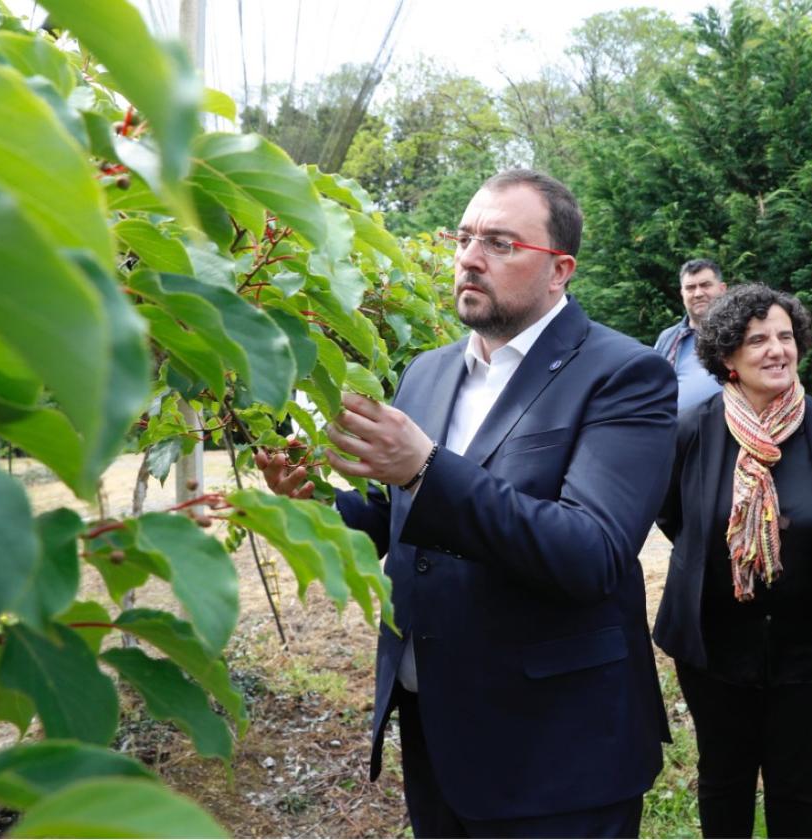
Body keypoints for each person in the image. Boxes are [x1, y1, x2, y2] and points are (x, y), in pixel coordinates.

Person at [257, 169, 677, 838]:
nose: (471, 258)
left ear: (559, 270)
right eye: (465, 238)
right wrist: (313, 505)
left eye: (502, 243)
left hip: (557, 750)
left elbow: (589, 552)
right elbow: (389, 521)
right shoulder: (427, 370)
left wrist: (425, 468)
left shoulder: (623, 375)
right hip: (437, 731)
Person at [654, 283, 812, 839]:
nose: (777, 349)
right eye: (757, 340)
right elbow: (677, 520)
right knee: (723, 777)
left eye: (785, 336)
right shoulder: (691, 432)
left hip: (810, 649)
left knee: (797, 782)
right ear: (727, 357)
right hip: (715, 644)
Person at [655, 258, 729, 411]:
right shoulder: (668, 339)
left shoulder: (739, 333)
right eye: (690, 287)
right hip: (677, 431)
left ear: (722, 289)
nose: (698, 293)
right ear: (682, 294)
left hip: (731, 429)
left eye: (705, 285)